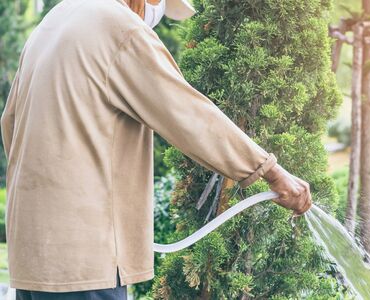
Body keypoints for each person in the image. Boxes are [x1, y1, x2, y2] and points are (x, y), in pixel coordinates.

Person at [1, 0, 312, 299]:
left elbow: (10, 122)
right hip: (84, 255)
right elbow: (189, 116)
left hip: (33, 253)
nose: (156, 13)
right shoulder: (120, 27)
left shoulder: (53, 21)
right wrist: (270, 170)